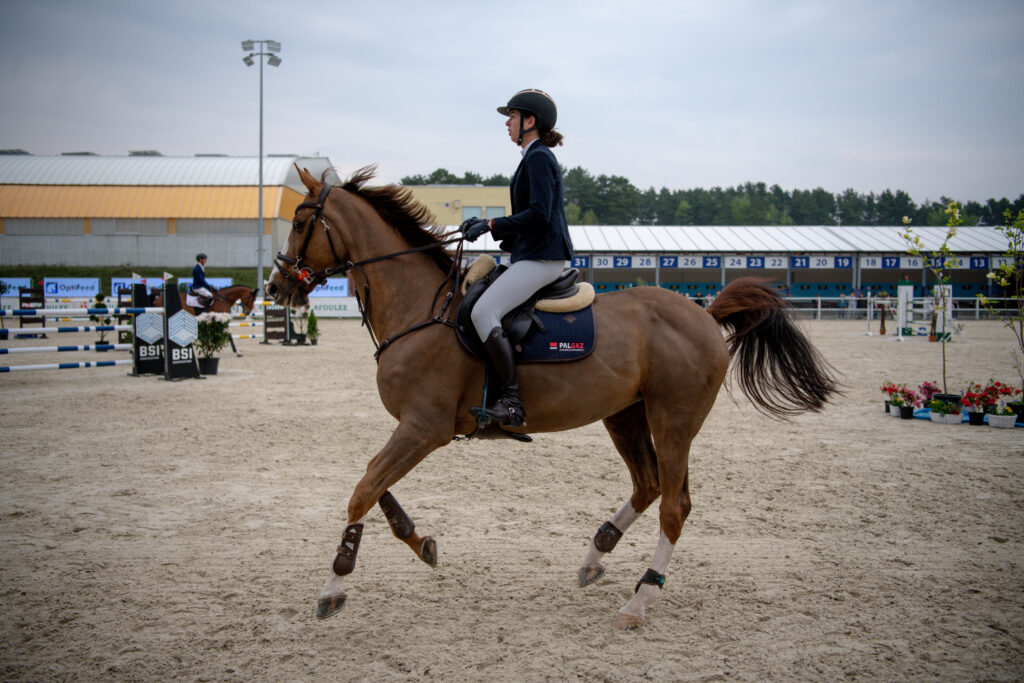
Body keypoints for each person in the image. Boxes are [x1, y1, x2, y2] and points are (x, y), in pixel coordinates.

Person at [460, 89, 575, 427]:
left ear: (530, 121)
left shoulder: (539, 157)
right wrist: (487, 228)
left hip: (544, 257)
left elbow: (540, 215)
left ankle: (511, 401)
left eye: (511, 116)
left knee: (484, 311)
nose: (507, 123)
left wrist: (492, 223)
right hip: (531, 253)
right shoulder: (530, 157)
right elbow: (530, 217)